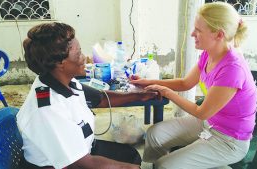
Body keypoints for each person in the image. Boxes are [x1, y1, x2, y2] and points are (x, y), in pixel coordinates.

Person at [130, 2, 257, 169]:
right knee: (154, 135)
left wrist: (167, 92)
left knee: (166, 165)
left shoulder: (233, 69)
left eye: (198, 30)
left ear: (218, 35)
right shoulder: (209, 54)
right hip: (209, 123)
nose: (192, 34)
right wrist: (147, 82)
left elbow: (201, 112)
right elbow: (185, 83)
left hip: (229, 140)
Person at [16, 22, 159, 169]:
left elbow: (101, 98)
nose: (85, 58)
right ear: (60, 63)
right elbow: (83, 163)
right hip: (60, 165)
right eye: (78, 53)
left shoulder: (63, 81)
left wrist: (139, 96)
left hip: (82, 151)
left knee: (131, 155)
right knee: (130, 165)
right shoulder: (49, 109)